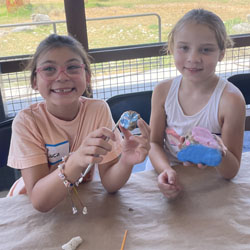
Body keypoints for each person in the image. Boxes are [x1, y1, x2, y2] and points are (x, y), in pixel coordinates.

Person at [7, 34, 150, 212]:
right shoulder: (27, 121)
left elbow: (110, 184)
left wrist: (127, 162)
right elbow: (40, 202)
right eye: (49, 69)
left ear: (87, 76)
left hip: (80, 201)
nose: (61, 77)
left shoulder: (98, 110)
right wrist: (76, 160)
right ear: (35, 81)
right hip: (29, 206)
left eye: (73, 67)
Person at [148, 9, 246, 199]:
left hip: (209, 181)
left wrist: (218, 151)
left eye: (206, 49)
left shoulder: (231, 100)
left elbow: (231, 171)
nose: (193, 58)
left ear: (222, 53)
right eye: (184, 48)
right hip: (166, 176)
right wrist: (166, 171)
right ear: (171, 47)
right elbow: (153, 142)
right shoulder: (163, 91)